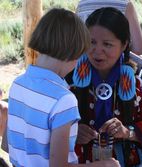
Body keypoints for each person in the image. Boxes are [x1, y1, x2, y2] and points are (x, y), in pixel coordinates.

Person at [6, 8, 120, 167]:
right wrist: (105, 165)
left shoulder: (17, 84)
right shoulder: (63, 100)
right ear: (74, 54)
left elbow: (7, 145)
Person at [66, 7, 142, 166]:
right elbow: (48, 116)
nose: (97, 51)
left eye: (107, 44)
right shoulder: (69, 72)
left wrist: (129, 133)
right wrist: (71, 131)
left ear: (124, 44)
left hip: (130, 160)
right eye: (91, 42)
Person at [76, 0, 142, 55]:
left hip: (85, 65)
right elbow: (138, 49)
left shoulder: (82, 4)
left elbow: (76, 42)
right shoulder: (124, 4)